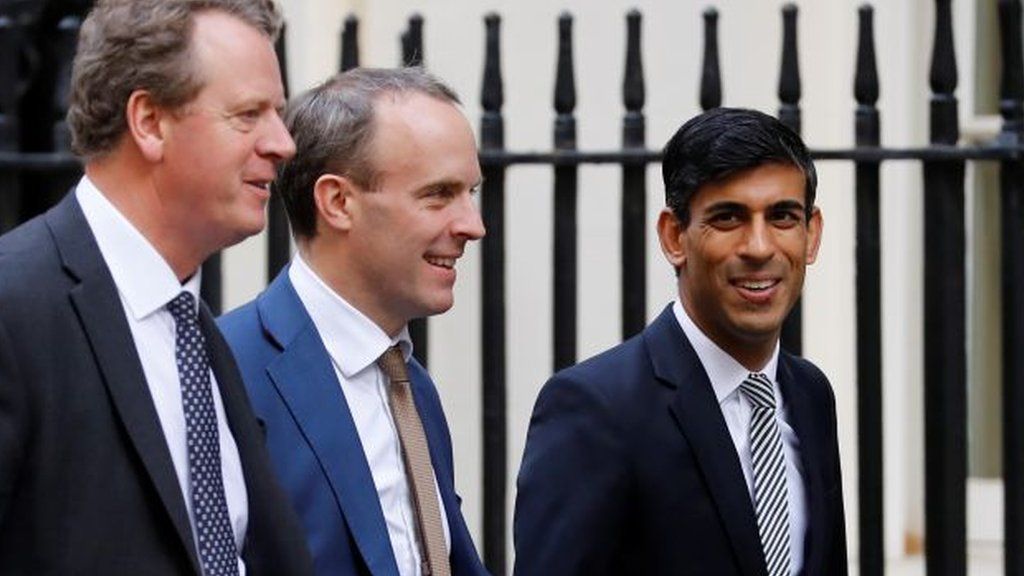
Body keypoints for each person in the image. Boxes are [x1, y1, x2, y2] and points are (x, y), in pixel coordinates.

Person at [0, 1, 314, 574]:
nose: (283, 143)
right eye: (249, 114)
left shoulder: (192, 329)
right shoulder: (16, 308)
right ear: (148, 121)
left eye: (279, 112)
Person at [514, 108, 847, 576]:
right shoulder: (595, 408)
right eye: (728, 217)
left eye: (782, 217)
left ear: (811, 235)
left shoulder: (811, 394)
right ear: (675, 236)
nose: (759, 247)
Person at [218, 67, 489, 576]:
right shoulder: (226, 375)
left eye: (471, 192)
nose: (472, 225)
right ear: (338, 202)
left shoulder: (410, 385)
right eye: (438, 194)